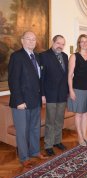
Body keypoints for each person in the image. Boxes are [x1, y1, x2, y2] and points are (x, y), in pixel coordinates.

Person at [8, 31, 47, 168]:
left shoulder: (37, 56)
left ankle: (35, 151)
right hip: (21, 102)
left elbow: (39, 79)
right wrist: (19, 101)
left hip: (35, 100)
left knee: (34, 128)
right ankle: (24, 157)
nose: (31, 41)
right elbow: (13, 80)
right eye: (28, 39)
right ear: (22, 40)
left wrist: (42, 95)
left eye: (33, 39)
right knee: (22, 130)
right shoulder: (16, 56)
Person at [40, 35, 69, 156]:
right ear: (53, 42)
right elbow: (41, 78)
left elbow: (66, 76)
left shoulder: (65, 56)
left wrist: (67, 92)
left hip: (62, 94)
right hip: (50, 94)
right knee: (50, 121)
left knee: (59, 120)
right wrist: (42, 95)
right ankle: (48, 145)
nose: (60, 46)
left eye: (62, 44)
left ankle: (57, 141)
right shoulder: (44, 56)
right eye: (58, 43)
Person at [67, 34, 87, 146]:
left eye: (86, 41)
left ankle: (85, 135)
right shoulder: (74, 56)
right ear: (79, 44)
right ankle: (79, 137)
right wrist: (71, 90)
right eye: (81, 41)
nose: (84, 43)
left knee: (86, 113)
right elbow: (70, 75)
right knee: (79, 113)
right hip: (77, 88)